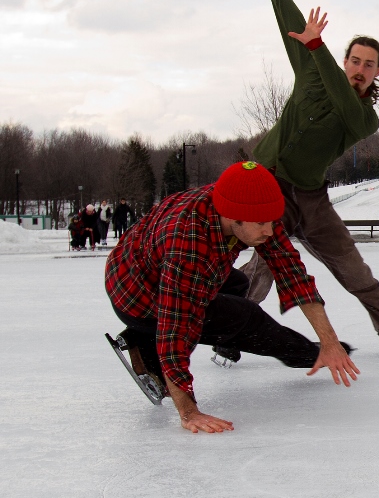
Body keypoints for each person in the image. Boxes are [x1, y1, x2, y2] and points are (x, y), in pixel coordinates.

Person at [234, 0, 379, 354]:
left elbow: (343, 99)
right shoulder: (311, 66)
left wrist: (316, 48)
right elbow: (290, 23)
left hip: (311, 198)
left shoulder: (364, 116)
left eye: (369, 64)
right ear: (345, 61)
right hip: (269, 184)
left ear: (377, 72)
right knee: (266, 261)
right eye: (355, 61)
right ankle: (233, 328)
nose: (360, 69)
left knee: (352, 265)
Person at [105, 161, 359, 433]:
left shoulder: (247, 207)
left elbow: (292, 273)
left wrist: (330, 341)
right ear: (232, 216)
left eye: (273, 222)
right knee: (247, 318)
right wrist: (189, 412)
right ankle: (306, 354)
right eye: (262, 224)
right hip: (138, 299)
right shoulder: (189, 242)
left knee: (237, 282)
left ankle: (144, 338)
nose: (269, 231)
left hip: (141, 269)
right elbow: (175, 327)